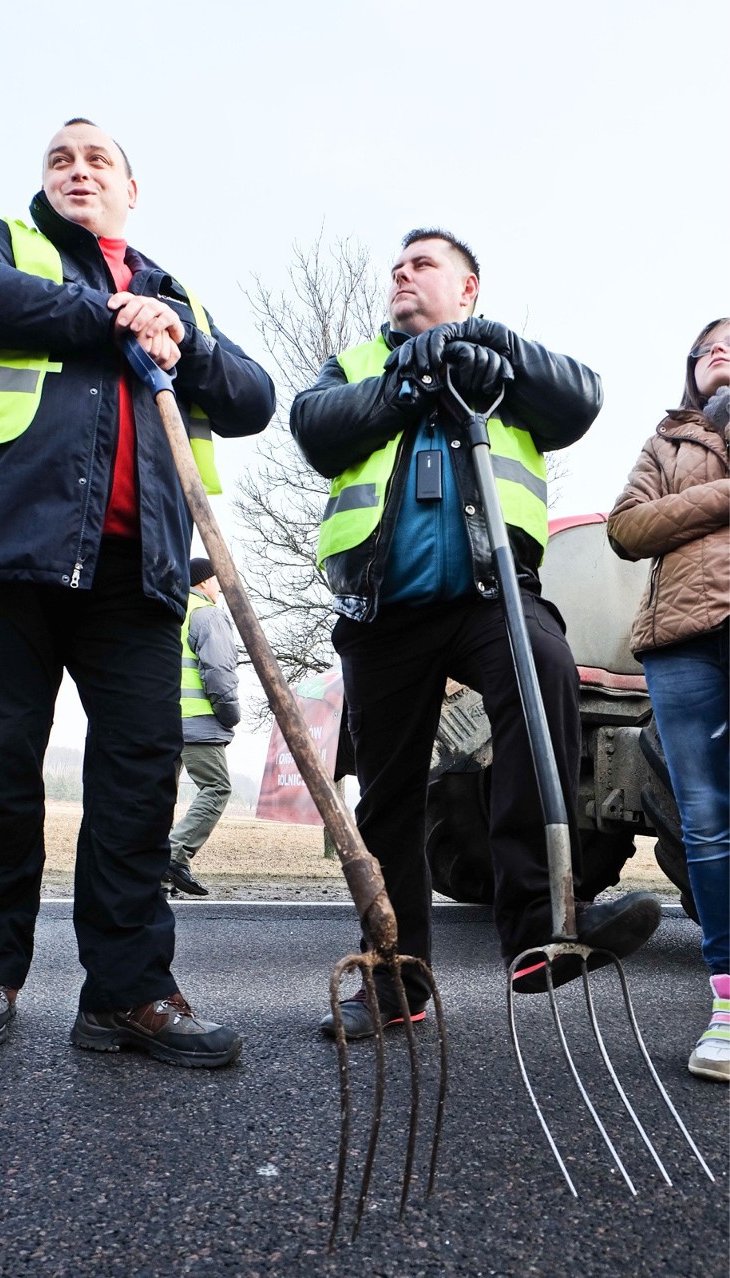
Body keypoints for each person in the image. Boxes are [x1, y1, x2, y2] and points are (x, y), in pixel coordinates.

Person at [0, 118, 275, 1066]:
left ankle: (127, 993)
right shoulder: (0, 243)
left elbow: (250, 396)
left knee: (136, 780)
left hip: (139, 574)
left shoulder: (172, 293)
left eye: (97, 160)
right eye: (59, 159)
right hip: (2, 556)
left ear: (131, 188)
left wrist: (181, 341)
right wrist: (106, 315)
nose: (77, 171)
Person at [290, 228, 662, 1038]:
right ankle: (394, 981)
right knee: (389, 801)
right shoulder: (359, 365)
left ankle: (541, 931)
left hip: (495, 594)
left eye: (423, 264)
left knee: (546, 669)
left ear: (468, 288)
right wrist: (405, 382)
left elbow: (581, 398)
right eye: (397, 266)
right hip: (382, 610)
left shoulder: (507, 363)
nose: (402, 273)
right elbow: (316, 429)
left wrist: (494, 348)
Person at [608, 318, 730, 1083]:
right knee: (709, 825)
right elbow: (627, 527)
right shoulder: (668, 445)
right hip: (685, 642)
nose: (720, 352)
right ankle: (728, 1005)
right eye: (708, 347)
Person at [162, 557, 240, 898]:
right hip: (197, 720)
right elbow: (219, 671)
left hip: (162, 718)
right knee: (217, 787)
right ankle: (174, 855)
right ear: (205, 581)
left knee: (162, 795)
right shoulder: (206, 613)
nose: (221, 588)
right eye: (218, 582)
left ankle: (155, 874)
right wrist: (229, 715)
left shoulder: (170, 609)